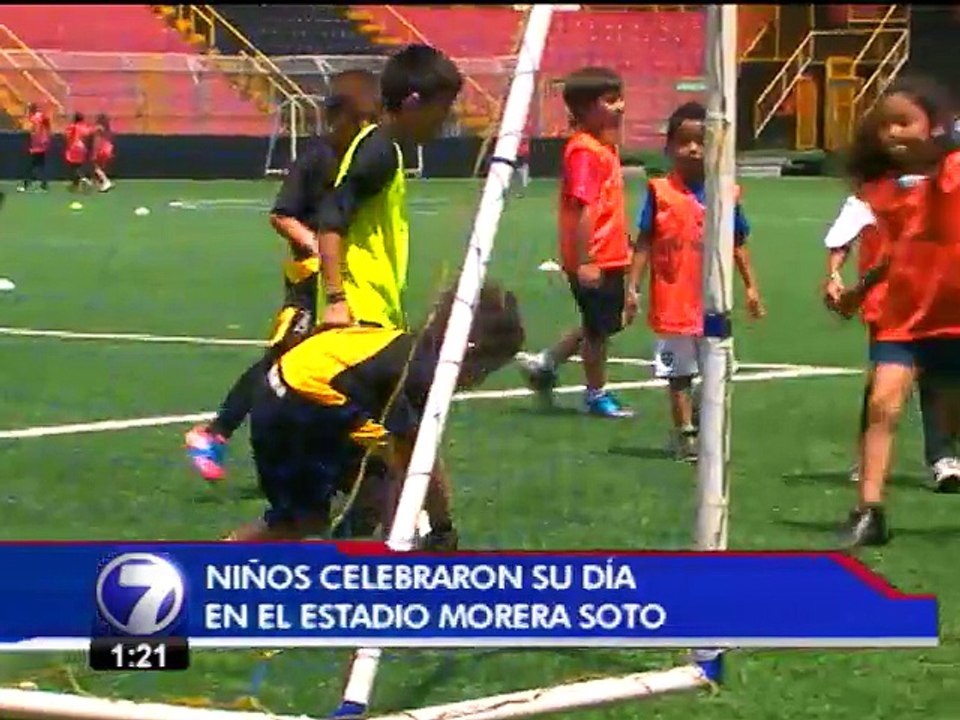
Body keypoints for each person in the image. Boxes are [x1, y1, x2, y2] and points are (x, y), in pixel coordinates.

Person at [185, 70, 381, 482]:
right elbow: (281, 214)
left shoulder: (364, 161)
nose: (367, 130)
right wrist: (316, 245)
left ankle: (338, 459)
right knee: (283, 360)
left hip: (348, 278)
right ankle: (214, 433)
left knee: (331, 365)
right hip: (309, 278)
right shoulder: (316, 158)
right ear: (339, 117)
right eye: (361, 121)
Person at [224, 282, 525, 546]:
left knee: (378, 485)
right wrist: (442, 527)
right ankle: (210, 565)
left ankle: (364, 559)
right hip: (297, 405)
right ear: (470, 349)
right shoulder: (424, 373)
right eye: (485, 369)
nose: (478, 381)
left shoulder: (416, 350)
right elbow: (419, 460)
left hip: (302, 392)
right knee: (299, 521)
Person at [835, 77, 960, 546]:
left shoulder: (953, 168)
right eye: (885, 125)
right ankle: (869, 511)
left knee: (951, 419)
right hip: (905, 317)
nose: (893, 134)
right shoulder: (883, 188)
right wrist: (858, 289)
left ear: (933, 126)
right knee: (882, 402)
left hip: (955, 318)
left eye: (904, 122)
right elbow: (897, 251)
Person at [626, 101, 765, 460]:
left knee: (718, 368)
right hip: (673, 300)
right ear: (669, 146)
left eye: (701, 141)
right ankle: (685, 432)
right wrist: (632, 287)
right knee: (678, 372)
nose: (693, 149)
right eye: (684, 141)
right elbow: (644, 240)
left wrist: (750, 286)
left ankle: (705, 421)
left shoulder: (726, 193)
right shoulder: (659, 192)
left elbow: (737, 242)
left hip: (713, 301)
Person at [822, 158, 960, 491]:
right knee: (883, 385)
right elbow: (841, 239)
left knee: (939, 379)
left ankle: (944, 459)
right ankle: (868, 458)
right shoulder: (872, 195)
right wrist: (834, 275)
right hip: (887, 306)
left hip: (935, 302)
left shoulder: (941, 192)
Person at [316, 44, 464, 332]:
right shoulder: (379, 152)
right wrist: (337, 300)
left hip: (375, 309)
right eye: (442, 108)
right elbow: (330, 224)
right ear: (412, 103)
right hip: (361, 314)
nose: (446, 119)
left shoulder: (385, 148)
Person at [516, 67, 634, 418]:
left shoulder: (602, 147)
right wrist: (585, 260)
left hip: (610, 254)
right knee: (599, 330)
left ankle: (546, 363)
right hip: (595, 257)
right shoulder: (584, 151)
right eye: (611, 101)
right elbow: (583, 206)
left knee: (604, 321)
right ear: (585, 108)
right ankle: (596, 394)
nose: (621, 107)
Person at [19, 103, 50, 192]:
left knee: (31, 165)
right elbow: (47, 122)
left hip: (37, 145)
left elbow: (31, 130)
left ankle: (26, 184)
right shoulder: (40, 116)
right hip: (43, 143)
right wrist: (47, 133)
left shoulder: (33, 119)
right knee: (40, 165)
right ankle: (43, 184)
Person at [64, 112, 93, 192]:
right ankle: (76, 183)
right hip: (82, 147)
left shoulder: (73, 126)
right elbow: (89, 132)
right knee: (78, 165)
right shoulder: (83, 127)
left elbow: (67, 135)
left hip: (74, 147)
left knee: (73, 166)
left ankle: (82, 178)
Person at [91, 114, 115, 193]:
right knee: (101, 167)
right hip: (108, 148)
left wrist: (95, 153)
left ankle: (106, 182)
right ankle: (103, 181)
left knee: (96, 167)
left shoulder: (98, 129)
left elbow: (97, 142)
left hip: (102, 149)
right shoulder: (108, 130)